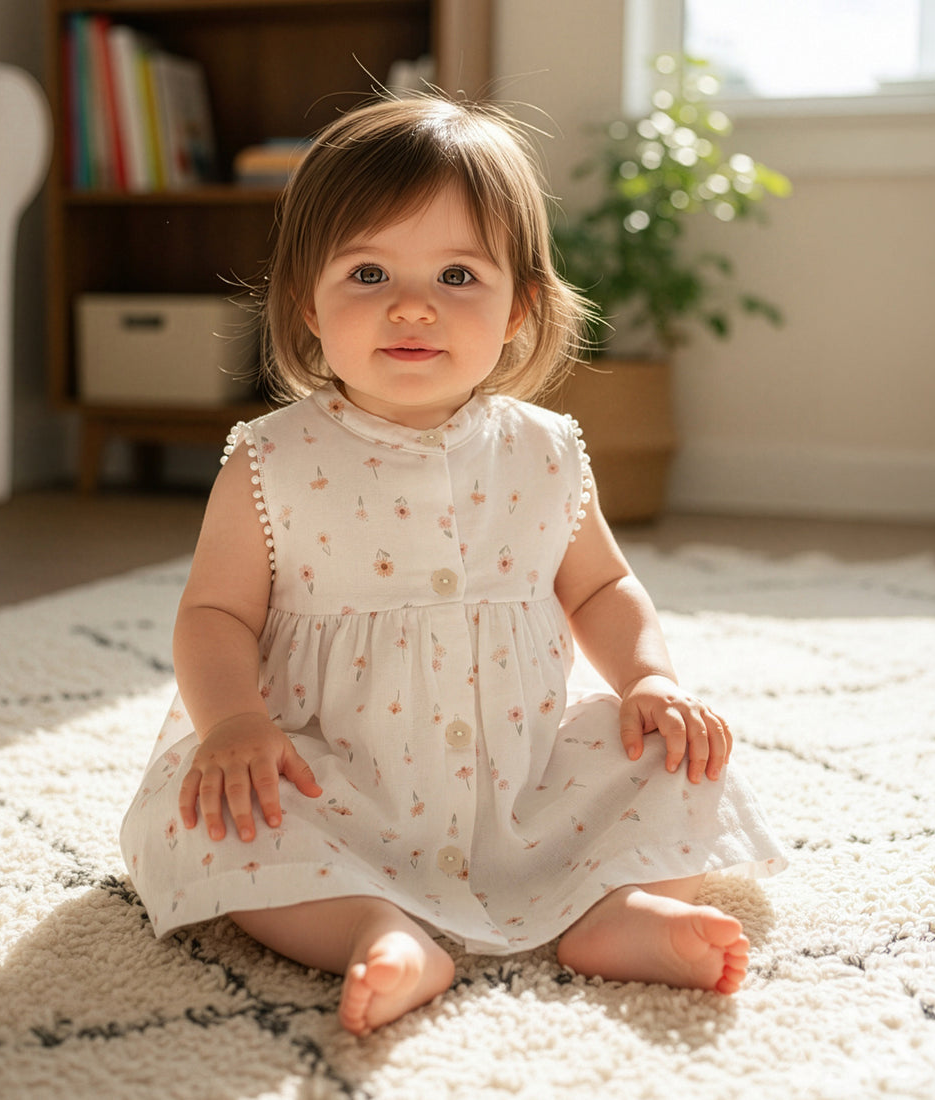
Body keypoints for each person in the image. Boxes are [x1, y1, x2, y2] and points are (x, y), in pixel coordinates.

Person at [120, 95, 786, 1038]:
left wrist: (649, 680)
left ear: (520, 307)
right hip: (330, 775)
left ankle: (608, 916)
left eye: (458, 273)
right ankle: (378, 932)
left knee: (679, 757)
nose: (412, 304)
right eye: (369, 271)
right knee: (212, 812)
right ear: (308, 302)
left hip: (521, 779)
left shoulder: (548, 449)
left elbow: (600, 586)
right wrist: (234, 723)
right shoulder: (273, 458)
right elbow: (214, 616)